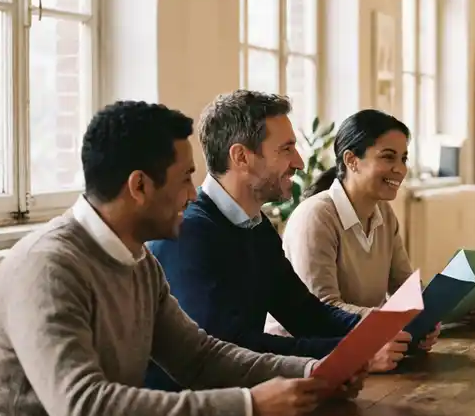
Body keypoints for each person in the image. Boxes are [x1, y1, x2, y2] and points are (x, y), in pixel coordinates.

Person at [0, 101, 361, 416]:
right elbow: (84, 412)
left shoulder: (138, 262)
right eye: (184, 179)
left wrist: (311, 373)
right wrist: (250, 408)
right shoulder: (50, 266)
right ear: (139, 186)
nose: (193, 193)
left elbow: (199, 356)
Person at [145, 92, 404, 391]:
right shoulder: (189, 234)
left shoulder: (256, 226)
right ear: (241, 157)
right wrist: (356, 351)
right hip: (194, 411)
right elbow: (232, 349)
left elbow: (305, 313)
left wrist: (379, 331)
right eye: (286, 149)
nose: (299, 162)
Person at [278, 108, 442, 416]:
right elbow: (317, 310)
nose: (399, 169)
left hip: (368, 355)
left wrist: (426, 315)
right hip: (310, 362)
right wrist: (392, 321)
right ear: (351, 160)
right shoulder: (317, 216)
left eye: (404, 158)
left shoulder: (384, 215)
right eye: (388, 157)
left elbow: (404, 287)